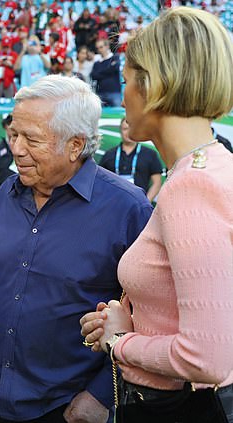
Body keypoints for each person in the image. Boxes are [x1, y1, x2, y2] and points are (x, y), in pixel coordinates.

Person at [0, 75, 152, 423]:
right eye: (15, 135)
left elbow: (150, 316)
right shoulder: (7, 195)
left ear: (75, 145)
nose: (16, 149)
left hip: (68, 408)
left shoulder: (128, 209)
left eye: (31, 139)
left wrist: (100, 394)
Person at [80, 8, 233, 422]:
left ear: (153, 86)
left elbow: (206, 358)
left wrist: (119, 341)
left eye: (126, 81)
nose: (122, 94)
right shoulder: (210, 167)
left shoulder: (191, 186)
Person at [99, 118, 163, 202]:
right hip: (113, 205)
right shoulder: (109, 154)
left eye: (131, 128)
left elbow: (157, 183)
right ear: (120, 131)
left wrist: (145, 203)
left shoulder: (150, 154)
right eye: (125, 129)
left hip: (140, 205)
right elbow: (100, 182)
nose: (128, 132)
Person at [90, 38, 121, 107]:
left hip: (114, 93)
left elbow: (115, 68)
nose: (99, 50)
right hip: (100, 93)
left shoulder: (115, 57)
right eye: (97, 48)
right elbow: (93, 76)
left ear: (107, 46)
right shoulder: (97, 63)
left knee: (118, 115)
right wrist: (109, 69)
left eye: (101, 47)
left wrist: (100, 72)